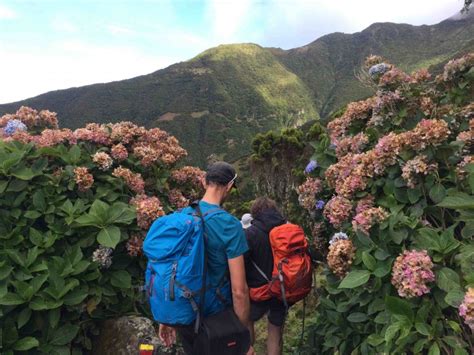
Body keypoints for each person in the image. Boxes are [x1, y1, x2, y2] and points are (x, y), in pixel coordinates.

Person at [158, 161, 255, 355]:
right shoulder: (229, 225)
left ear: (204, 182)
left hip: (185, 313)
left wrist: (167, 316)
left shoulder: (180, 217)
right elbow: (239, 291)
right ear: (228, 186)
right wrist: (241, 336)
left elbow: (169, 267)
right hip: (217, 319)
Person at [244, 197, 288, 355]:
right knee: (275, 332)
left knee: (246, 321)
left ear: (254, 213)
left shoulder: (250, 234)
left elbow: (241, 263)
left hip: (258, 292)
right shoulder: (287, 230)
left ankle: (249, 349)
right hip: (282, 289)